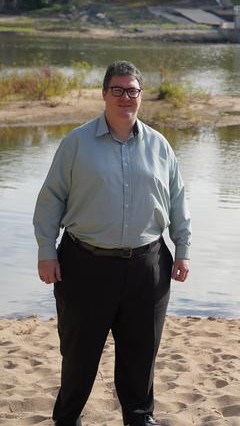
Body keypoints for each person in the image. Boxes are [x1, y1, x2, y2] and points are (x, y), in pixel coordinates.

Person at [33, 60, 191, 426]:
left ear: (141, 96)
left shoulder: (160, 145)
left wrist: (182, 249)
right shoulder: (76, 143)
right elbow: (50, 200)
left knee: (141, 354)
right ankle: (67, 419)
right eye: (117, 90)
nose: (125, 98)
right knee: (79, 354)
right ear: (104, 94)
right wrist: (46, 252)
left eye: (132, 91)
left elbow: (178, 199)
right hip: (83, 265)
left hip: (147, 266)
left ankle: (139, 419)